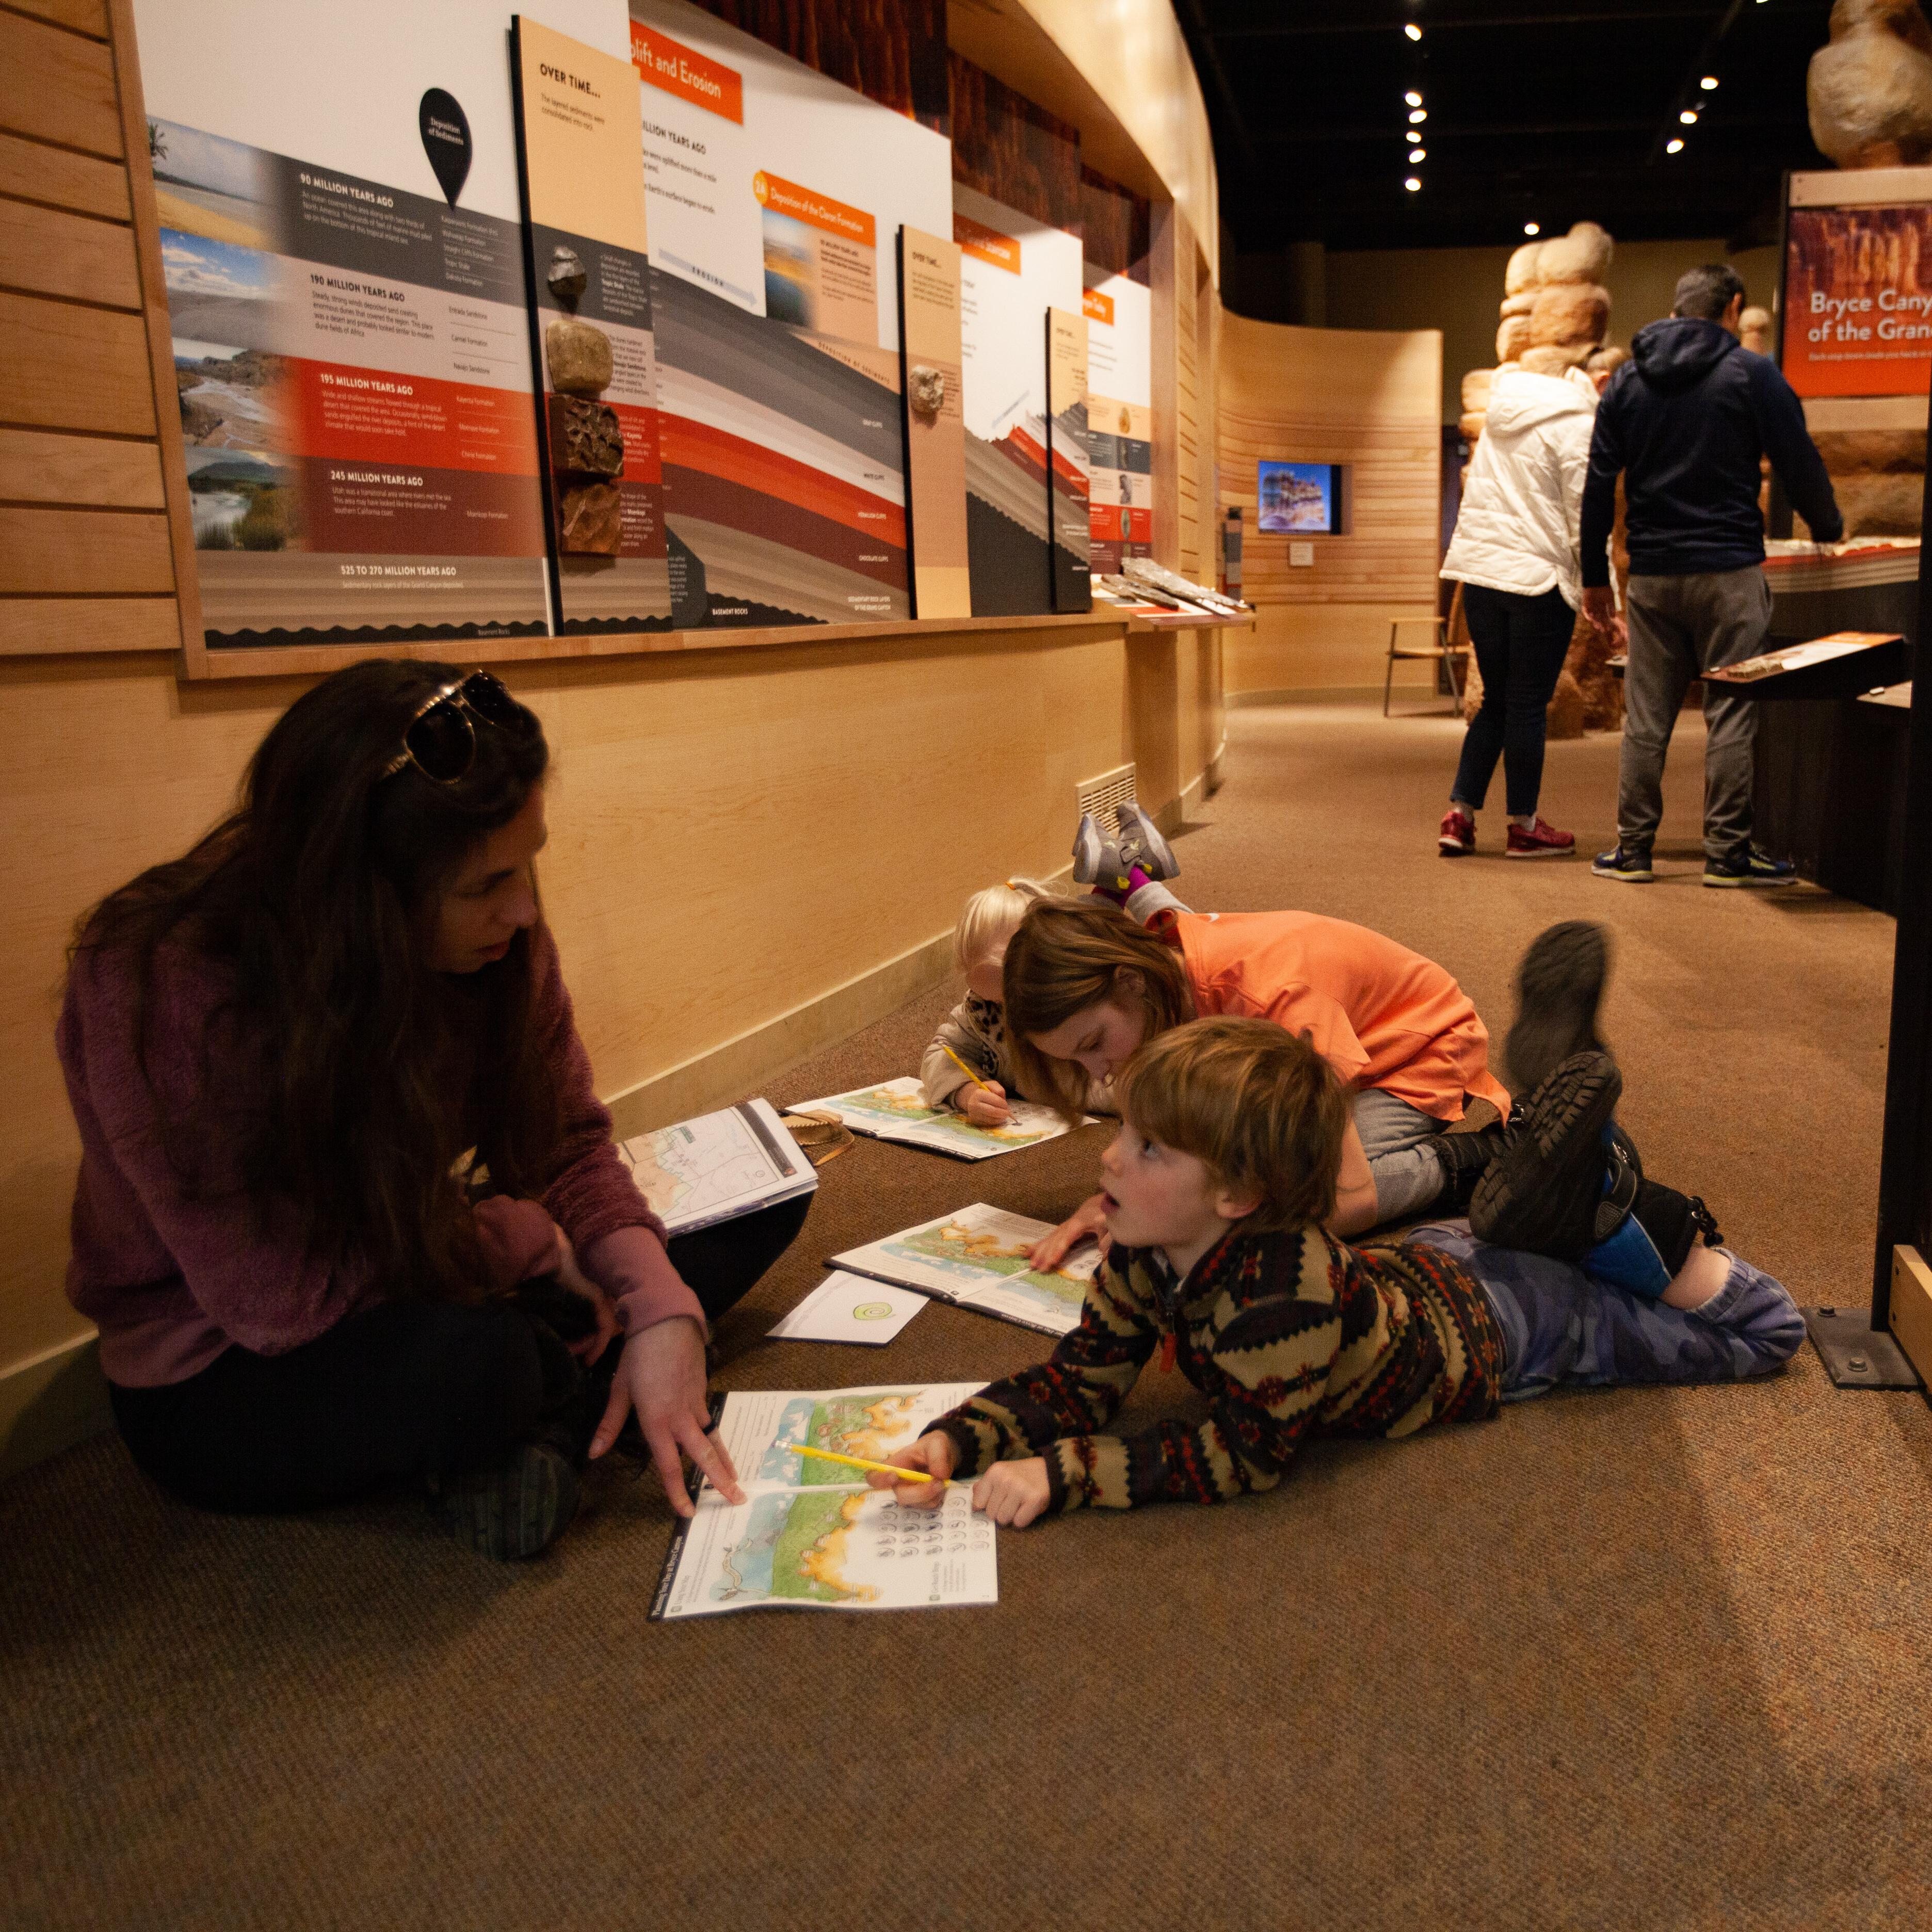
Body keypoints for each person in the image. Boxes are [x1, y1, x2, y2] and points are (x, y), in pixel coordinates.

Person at [58, 661, 806, 1561]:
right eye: (485, 884)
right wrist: (524, 1242)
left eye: (528, 863)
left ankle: (549, 1414)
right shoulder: (162, 983)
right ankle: (543, 1407)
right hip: (237, 1365)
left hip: (418, 1257)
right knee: (476, 1367)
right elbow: (280, 1301)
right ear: (362, 896)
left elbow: (567, 1141)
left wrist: (658, 1305)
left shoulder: (501, 936)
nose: (523, 908)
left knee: (761, 1195)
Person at [869, 1011, 1800, 1525]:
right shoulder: (1141, 1251)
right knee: (1510, 1242)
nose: (1110, 1161)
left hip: (1499, 1336)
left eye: (1149, 1150)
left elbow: (1243, 1454)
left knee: (1763, 1334)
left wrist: (1062, 1473)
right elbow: (1080, 1377)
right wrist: (959, 1440)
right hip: (1426, 1263)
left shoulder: (1281, 1292)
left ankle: (1623, 1214)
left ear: (1237, 1193)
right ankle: (1556, 1210)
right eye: (1124, 1133)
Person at [1005, 895, 1511, 1258]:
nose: (1098, 1073)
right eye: (1077, 1061)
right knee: (1230, 1181)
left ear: (1130, 983)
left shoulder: (1267, 1000)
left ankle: (1470, 1162)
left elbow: (1352, 1199)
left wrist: (1196, 1223)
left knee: (1301, 1202)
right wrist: (1117, 1200)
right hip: (1337, 1054)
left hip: (1423, 1048)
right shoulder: (1160, 986)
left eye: (1093, 1045)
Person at [1581, 263, 1845, 887]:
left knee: (1645, 717)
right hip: (1729, 570)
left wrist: (1595, 576)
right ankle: (1727, 855)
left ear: (1677, 309)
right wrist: (1829, 527)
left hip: (1651, 577)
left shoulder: (1627, 381)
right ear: (1732, 309)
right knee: (1731, 711)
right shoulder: (1751, 374)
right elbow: (1797, 461)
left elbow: (1596, 485)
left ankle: (1634, 851)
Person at [1439, 357, 1616, 860]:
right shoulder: (1580, 422)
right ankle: (1525, 826)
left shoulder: (1504, 411)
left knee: (1496, 700)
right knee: (1527, 704)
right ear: (1598, 382)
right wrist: (1605, 602)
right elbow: (1589, 519)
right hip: (1536, 583)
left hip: (1481, 575)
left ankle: (1460, 817)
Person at [921, 807, 1184, 1128]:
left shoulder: (1113, 1014)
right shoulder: (979, 1012)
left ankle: (1133, 878)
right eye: (993, 999)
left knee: (1176, 945)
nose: (1011, 1011)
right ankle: (1123, 875)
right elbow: (943, 1052)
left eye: (1013, 992)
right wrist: (966, 1092)